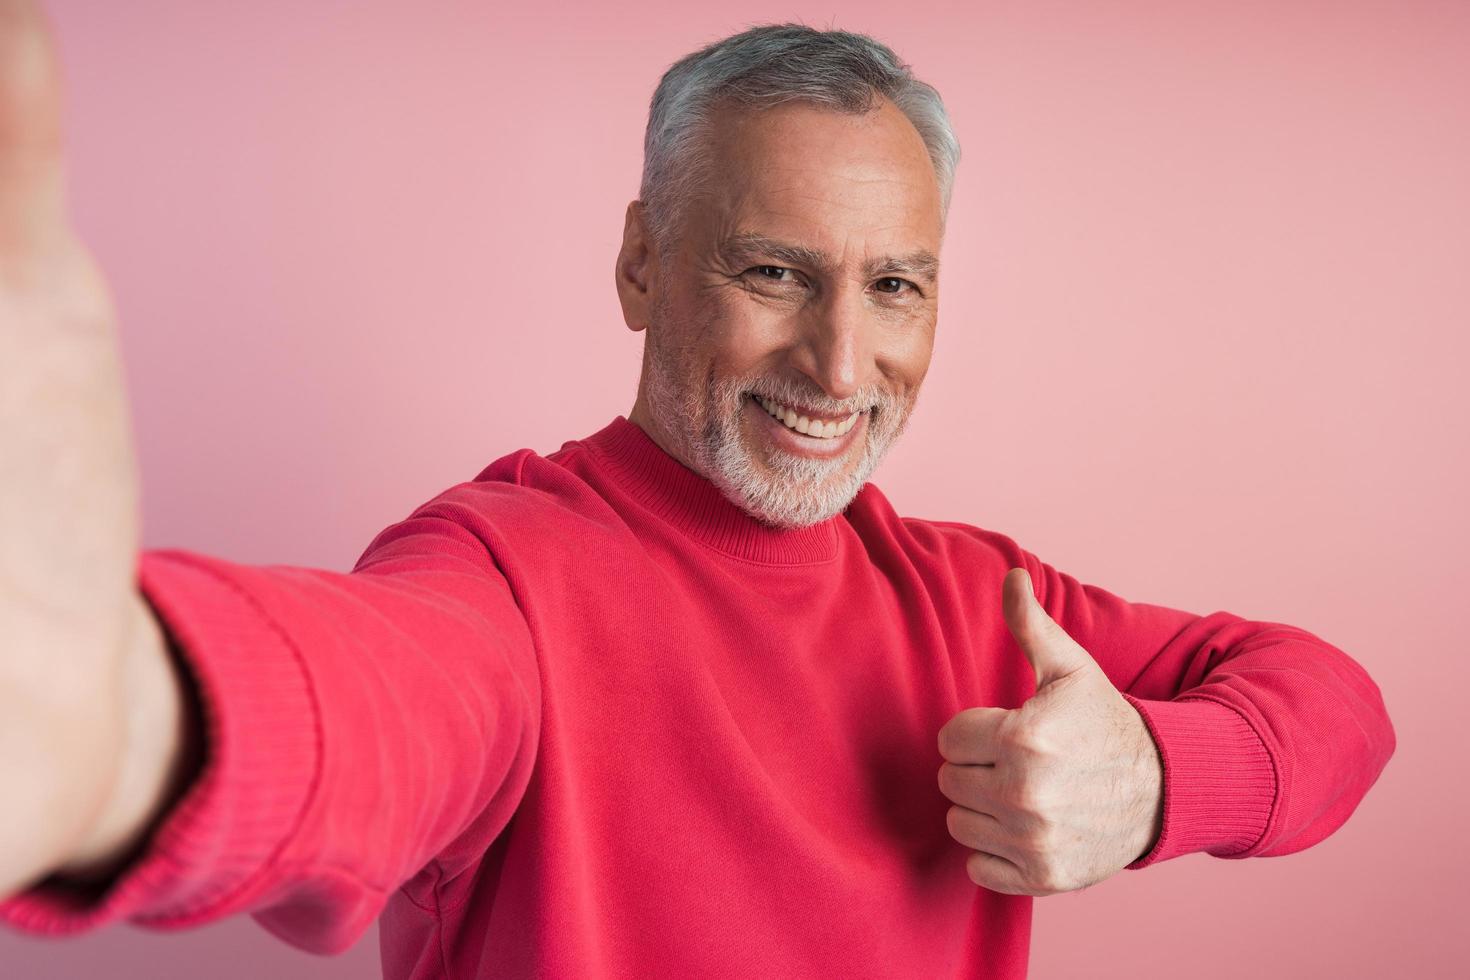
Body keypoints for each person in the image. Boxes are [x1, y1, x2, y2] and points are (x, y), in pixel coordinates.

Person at [0, 5, 1395, 978]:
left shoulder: (986, 606)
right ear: (640, 264)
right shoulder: (499, 574)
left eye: (894, 286)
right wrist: (133, 727)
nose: (839, 362)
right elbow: (387, 704)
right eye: (772, 272)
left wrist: (1159, 778)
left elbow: (1334, 707)